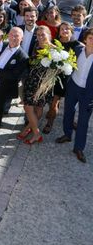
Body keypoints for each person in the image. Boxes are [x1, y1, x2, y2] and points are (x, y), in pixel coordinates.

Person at [57, 28, 93, 163]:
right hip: (73, 86)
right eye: (90, 38)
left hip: (88, 93)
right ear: (85, 39)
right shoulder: (78, 50)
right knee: (68, 111)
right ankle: (67, 134)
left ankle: (78, 148)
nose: (92, 41)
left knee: (83, 121)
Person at [19, 25, 54, 145]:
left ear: (49, 35)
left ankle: (36, 133)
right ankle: (29, 129)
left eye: (42, 34)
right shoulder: (36, 45)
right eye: (38, 35)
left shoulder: (54, 50)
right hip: (31, 80)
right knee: (31, 108)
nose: (40, 37)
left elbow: (57, 69)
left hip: (43, 83)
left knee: (32, 108)